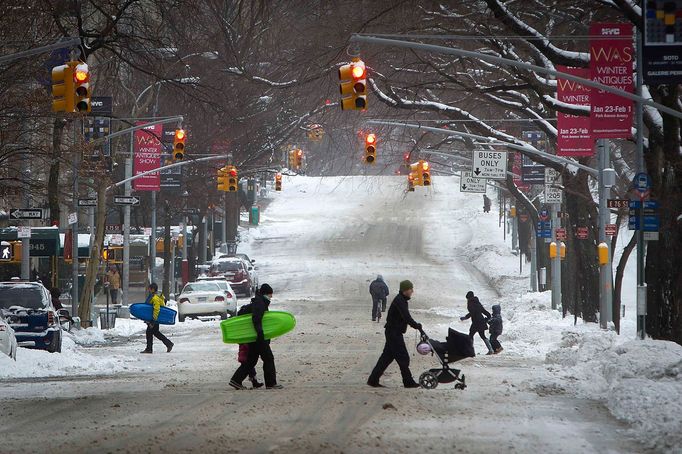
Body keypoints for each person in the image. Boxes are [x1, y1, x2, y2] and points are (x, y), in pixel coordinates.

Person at [367, 280, 422, 388]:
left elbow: (405, 317)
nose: (412, 291)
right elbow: (406, 317)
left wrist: (416, 325)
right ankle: (408, 382)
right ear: (405, 290)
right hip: (394, 333)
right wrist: (416, 325)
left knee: (386, 358)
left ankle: (373, 380)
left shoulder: (401, 300)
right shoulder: (400, 301)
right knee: (403, 357)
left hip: (393, 332)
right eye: (411, 289)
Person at [230, 284, 281, 390]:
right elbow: (256, 319)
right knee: (268, 358)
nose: (270, 297)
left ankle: (236, 380)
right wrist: (260, 333)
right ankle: (271, 383)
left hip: (254, 336)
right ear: (266, 293)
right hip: (258, 337)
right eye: (270, 295)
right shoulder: (260, 303)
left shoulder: (259, 301)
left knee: (251, 361)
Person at [141, 283, 173, 354]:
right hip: (155, 318)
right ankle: (168, 343)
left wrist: (153, 320)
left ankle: (149, 349)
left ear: (152, 289)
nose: (148, 289)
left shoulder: (155, 297)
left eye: (149, 288)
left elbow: (156, 309)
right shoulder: (157, 295)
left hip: (154, 318)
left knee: (149, 332)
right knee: (155, 332)